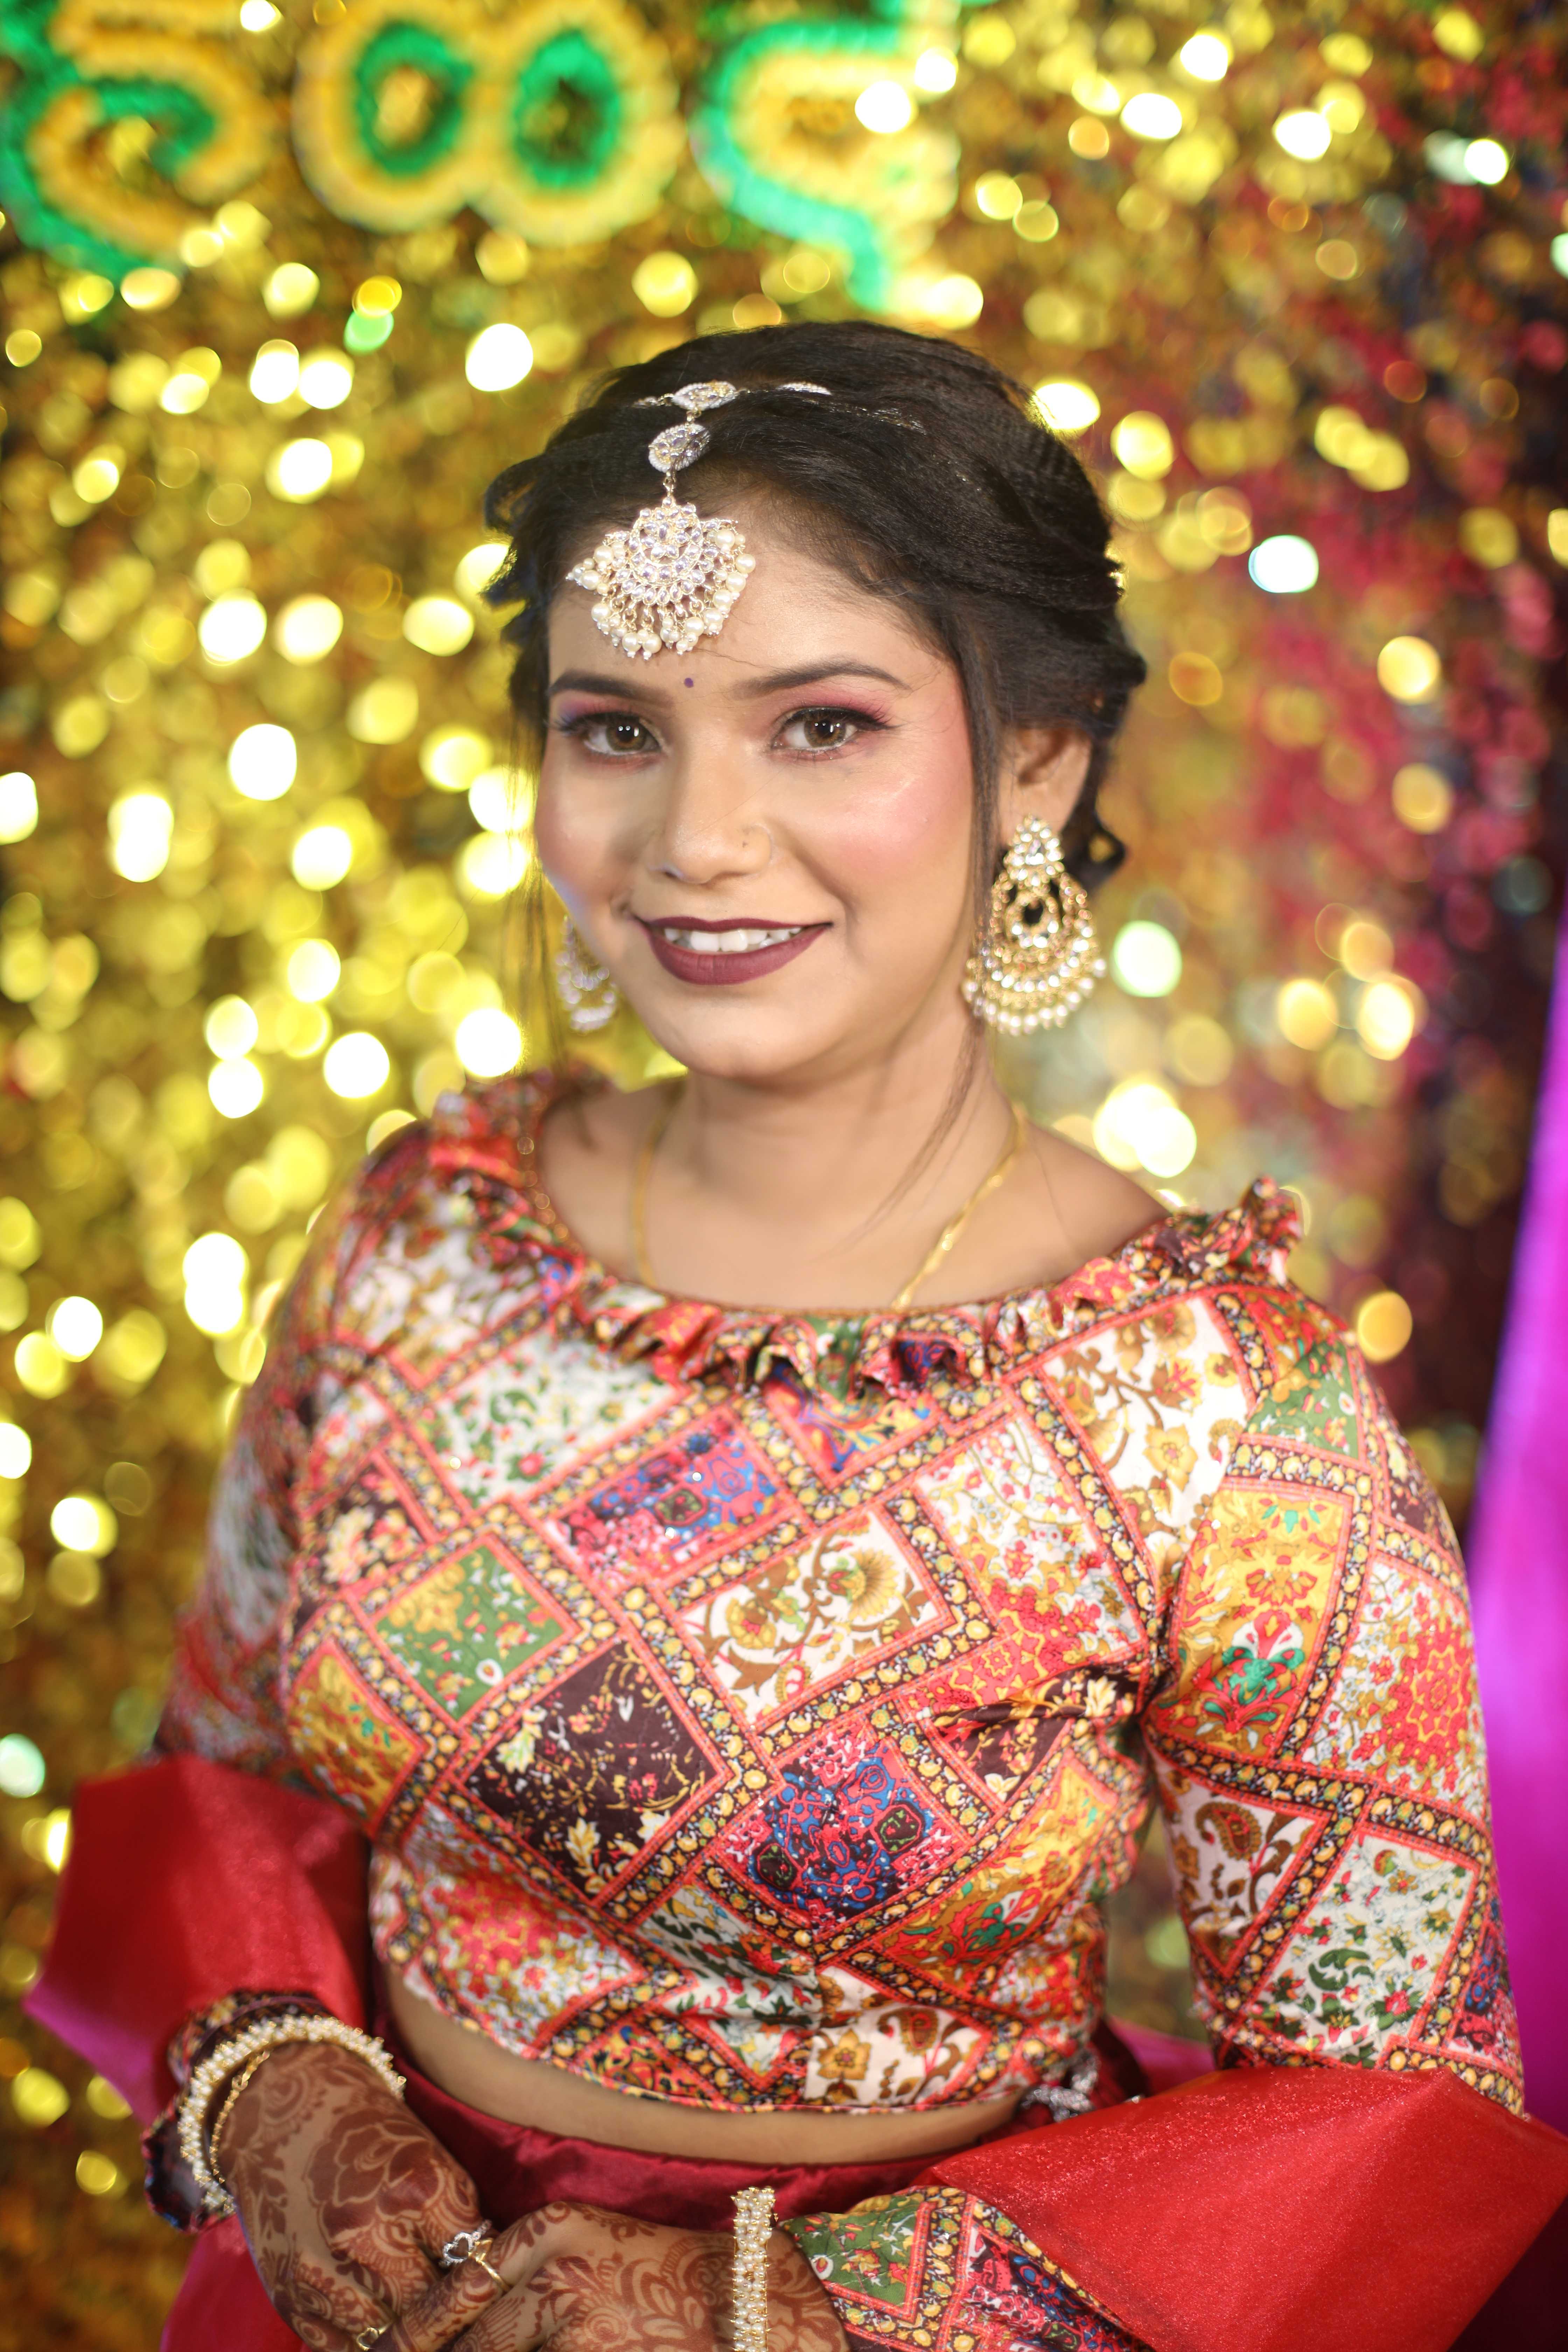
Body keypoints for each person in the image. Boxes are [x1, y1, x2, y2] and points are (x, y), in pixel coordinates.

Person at [33, 322, 1568, 2352]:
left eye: (821, 725)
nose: (695, 841)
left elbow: (1392, 2113)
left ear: (1038, 754)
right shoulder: (421, 1241)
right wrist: (287, 2102)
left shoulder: (1208, 1400)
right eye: (617, 729)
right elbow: (224, 1786)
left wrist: (762, 2308)